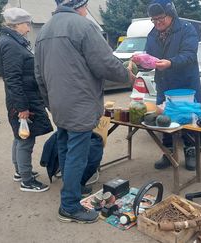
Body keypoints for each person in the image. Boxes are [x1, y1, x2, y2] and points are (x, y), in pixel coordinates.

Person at [34, 0, 135, 223]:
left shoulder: (44, 31)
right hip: (79, 104)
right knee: (77, 155)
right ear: (80, 5)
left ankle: (71, 191)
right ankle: (69, 205)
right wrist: (128, 76)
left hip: (59, 103)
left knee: (64, 147)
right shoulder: (83, 26)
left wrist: (49, 101)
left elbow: (39, 74)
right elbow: (105, 63)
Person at [0, 6, 53, 192]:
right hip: (23, 100)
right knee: (25, 139)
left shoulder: (11, 41)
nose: (28, 28)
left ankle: (20, 171)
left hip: (22, 98)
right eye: (26, 24)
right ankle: (27, 180)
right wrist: (22, 108)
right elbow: (13, 79)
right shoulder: (10, 45)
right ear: (16, 24)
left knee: (20, 136)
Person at [145, 0, 201, 171]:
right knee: (164, 119)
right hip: (164, 83)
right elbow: (150, 57)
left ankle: (191, 152)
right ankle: (168, 152)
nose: (157, 23)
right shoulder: (152, 34)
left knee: (187, 119)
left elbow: (190, 55)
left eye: (160, 18)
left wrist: (170, 62)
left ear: (171, 15)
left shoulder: (187, 29)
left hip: (185, 84)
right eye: (153, 20)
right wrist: (141, 62)